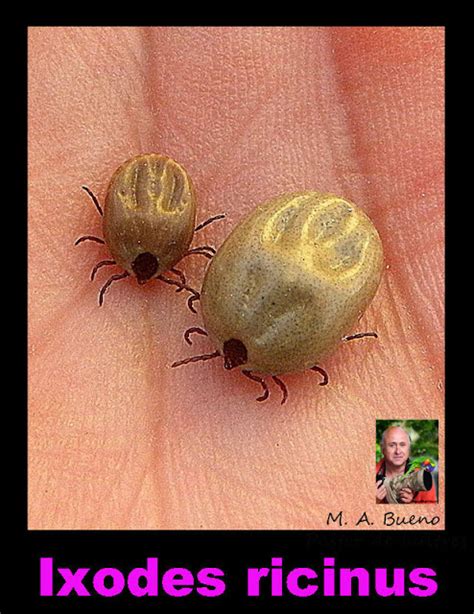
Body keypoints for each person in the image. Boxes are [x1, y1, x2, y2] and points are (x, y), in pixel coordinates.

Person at [376, 425, 437, 503]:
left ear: (409, 449)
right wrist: (373, 501)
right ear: (382, 449)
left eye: (402, 445)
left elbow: (432, 512)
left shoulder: (423, 476)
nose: (398, 451)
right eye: (392, 445)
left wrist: (411, 505)